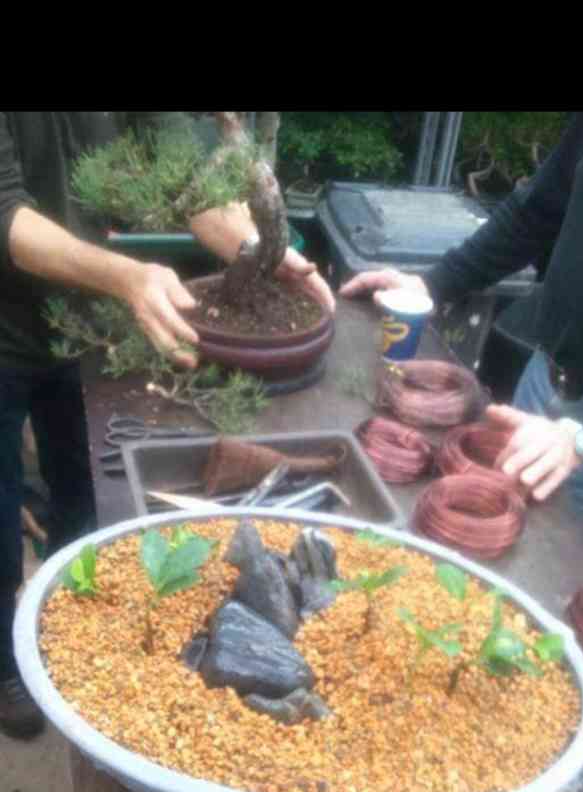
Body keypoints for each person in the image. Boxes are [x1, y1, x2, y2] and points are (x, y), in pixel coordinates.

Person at [0, 111, 334, 740]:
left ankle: (73, 622)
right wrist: (128, 276)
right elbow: (6, 216)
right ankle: (4, 667)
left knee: (85, 494)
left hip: (84, 326)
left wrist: (259, 252)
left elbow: (186, 178)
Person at [341, 112, 583, 515]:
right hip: (546, 380)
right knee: (493, 517)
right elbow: (537, 211)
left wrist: (581, 435)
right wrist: (432, 285)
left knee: (563, 550)